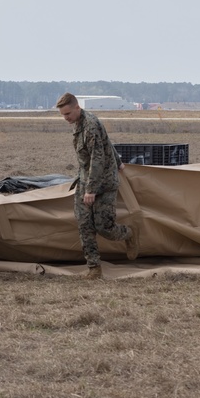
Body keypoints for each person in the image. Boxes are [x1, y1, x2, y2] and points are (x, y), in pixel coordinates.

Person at [56, 93, 139, 279]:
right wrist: (118, 160)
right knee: (84, 224)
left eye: (68, 113)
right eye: (63, 115)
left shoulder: (90, 125)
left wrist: (91, 190)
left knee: (104, 227)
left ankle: (129, 234)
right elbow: (107, 141)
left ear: (77, 107)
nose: (66, 118)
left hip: (104, 183)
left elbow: (97, 159)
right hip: (86, 179)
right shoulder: (78, 122)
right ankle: (94, 268)